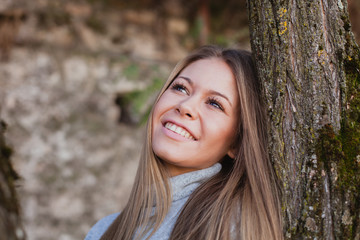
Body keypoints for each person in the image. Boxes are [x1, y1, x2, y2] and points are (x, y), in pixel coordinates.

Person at [85, 45, 283, 240]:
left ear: (237, 143)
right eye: (181, 88)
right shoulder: (103, 230)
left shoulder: (233, 227)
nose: (185, 106)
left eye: (215, 103)